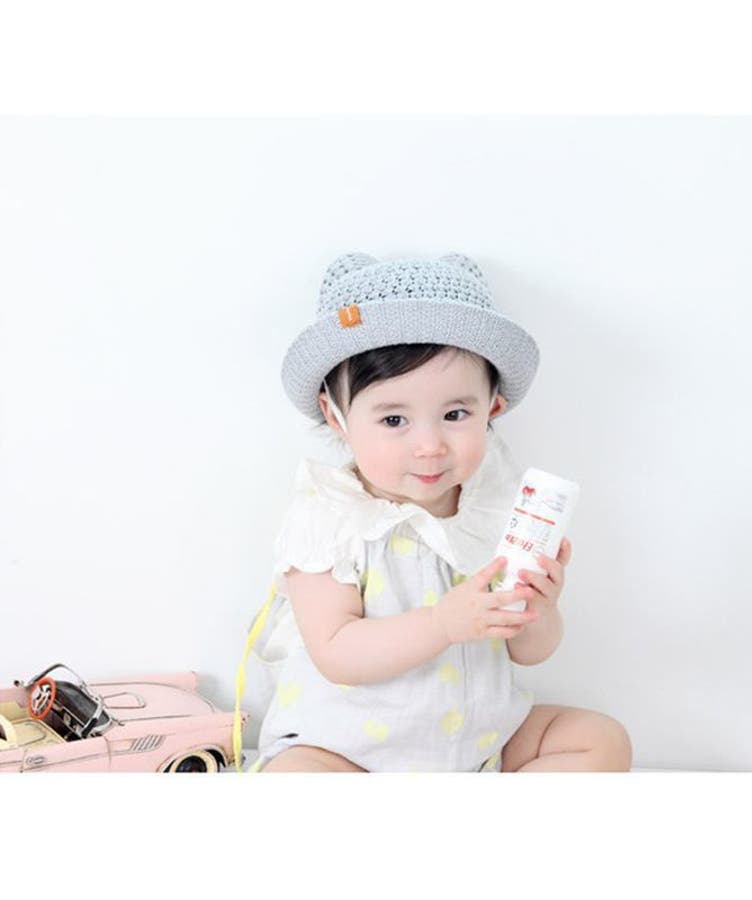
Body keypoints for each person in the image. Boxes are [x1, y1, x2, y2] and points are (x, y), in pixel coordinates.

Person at [249, 252, 632, 772]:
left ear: (492, 407)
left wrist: (540, 611)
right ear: (335, 416)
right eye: (394, 420)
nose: (429, 445)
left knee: (600, 740)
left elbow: (530, 652)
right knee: (295, 778)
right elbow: (335, 651)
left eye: (455, 414)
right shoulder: (330, 518)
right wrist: (441, 623)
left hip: (480, 743)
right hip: (348, 752)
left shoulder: (495, 511)